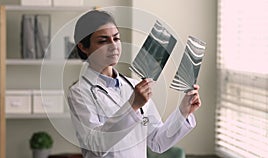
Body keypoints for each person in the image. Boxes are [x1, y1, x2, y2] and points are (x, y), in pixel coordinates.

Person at [67, 10, 201, 158]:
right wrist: (132, 105)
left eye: (116, 38)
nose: (113, 46)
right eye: (103, 41)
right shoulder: (79, 92)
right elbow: (96, 146)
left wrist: (183, 112)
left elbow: (157, 142)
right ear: (83, 47)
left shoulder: (133, 86)